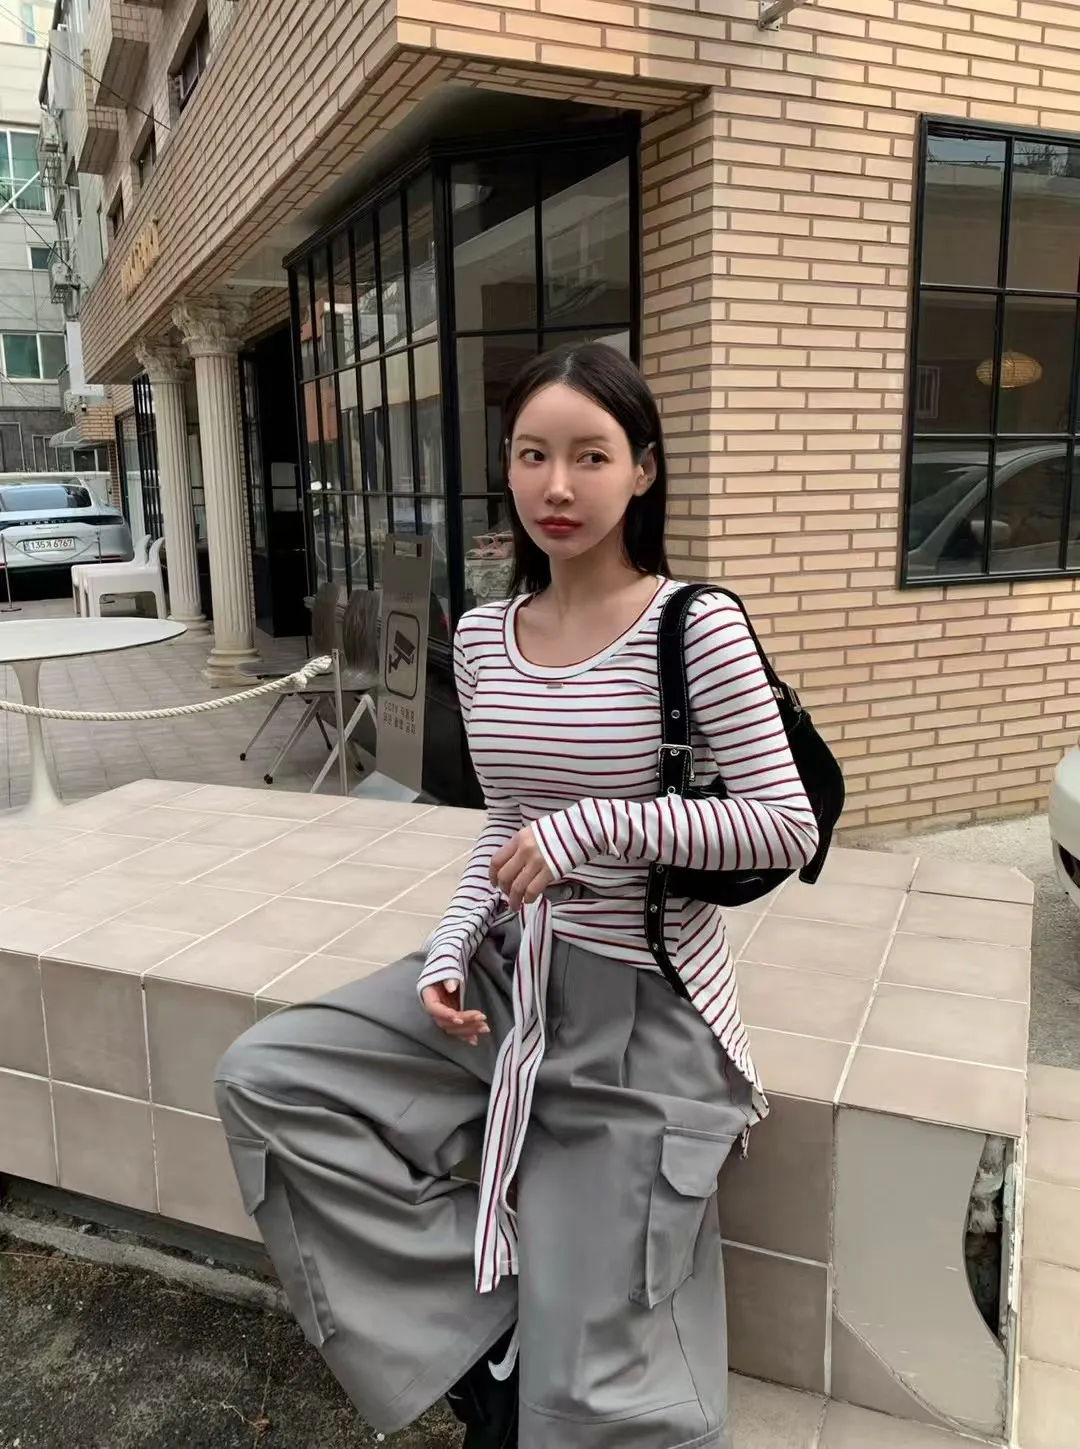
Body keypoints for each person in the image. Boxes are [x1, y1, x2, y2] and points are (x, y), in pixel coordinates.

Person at [215, 342, 819, 1449]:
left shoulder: (694, 624)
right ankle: (483, 1331)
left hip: (643, 1010)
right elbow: (504, 824)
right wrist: (452, 945)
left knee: (586, 1395)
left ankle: (541, 1348)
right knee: (268, 1079)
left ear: (643, 470)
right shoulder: (486, 636)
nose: (557, 485)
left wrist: (593, 828)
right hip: (508, 981)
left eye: (591, 456)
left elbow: (785, 822)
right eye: (533, 454)